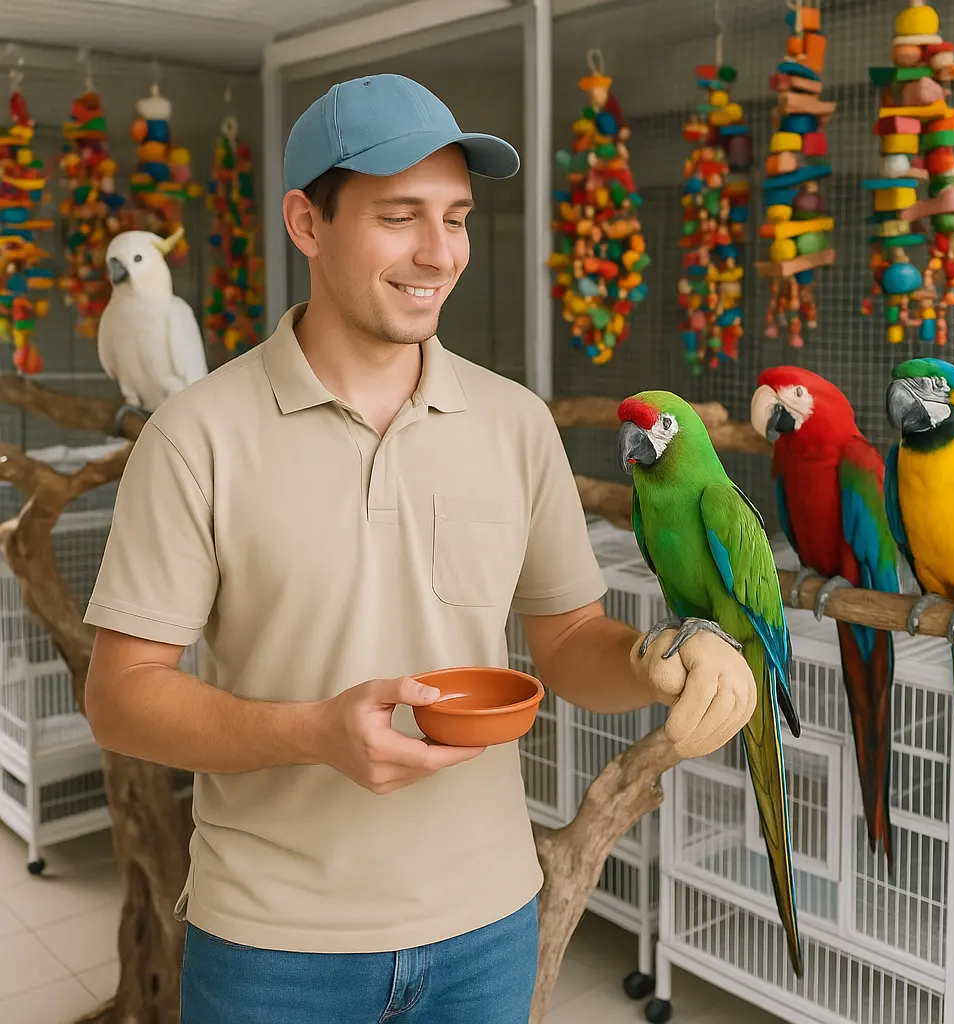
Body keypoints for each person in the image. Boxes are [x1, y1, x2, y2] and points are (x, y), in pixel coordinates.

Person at [82, 74, 757, 1024]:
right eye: (400, 216)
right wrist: (312, 733)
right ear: (307, 223)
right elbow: (120, 697)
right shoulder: (194, 435)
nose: (438, 253)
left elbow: (568, 642)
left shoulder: (518, 425)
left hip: (487, 925)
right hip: (273, 945)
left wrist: (663, 657)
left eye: (457, 217)